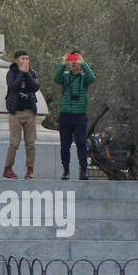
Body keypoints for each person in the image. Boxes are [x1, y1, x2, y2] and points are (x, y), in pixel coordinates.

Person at [54, 50, 95, 180]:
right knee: (64, 145)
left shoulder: (84, 78)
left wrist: (83, 64)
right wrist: (63, 64)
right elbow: (56, 79)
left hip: (80, 116)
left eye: (76, 59)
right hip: (65, 115)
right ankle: (66, 170)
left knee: (81, 143)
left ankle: (83, 171)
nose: (74, 62)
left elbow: (92, 78)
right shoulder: (65, 76)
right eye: (72, 59)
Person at [3, 50, 38, 179]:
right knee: (14, 142)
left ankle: (30, 170)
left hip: (29, 112)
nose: (26, 61)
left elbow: (35, 87)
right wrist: (21, 74)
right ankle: (8, 168)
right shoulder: (11, 73)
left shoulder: (32, 72)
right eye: (23, 58)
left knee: (30, 143)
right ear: (16, 60)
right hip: (15, 112)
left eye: (27, 59)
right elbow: (13, 86)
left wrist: (27, 74)